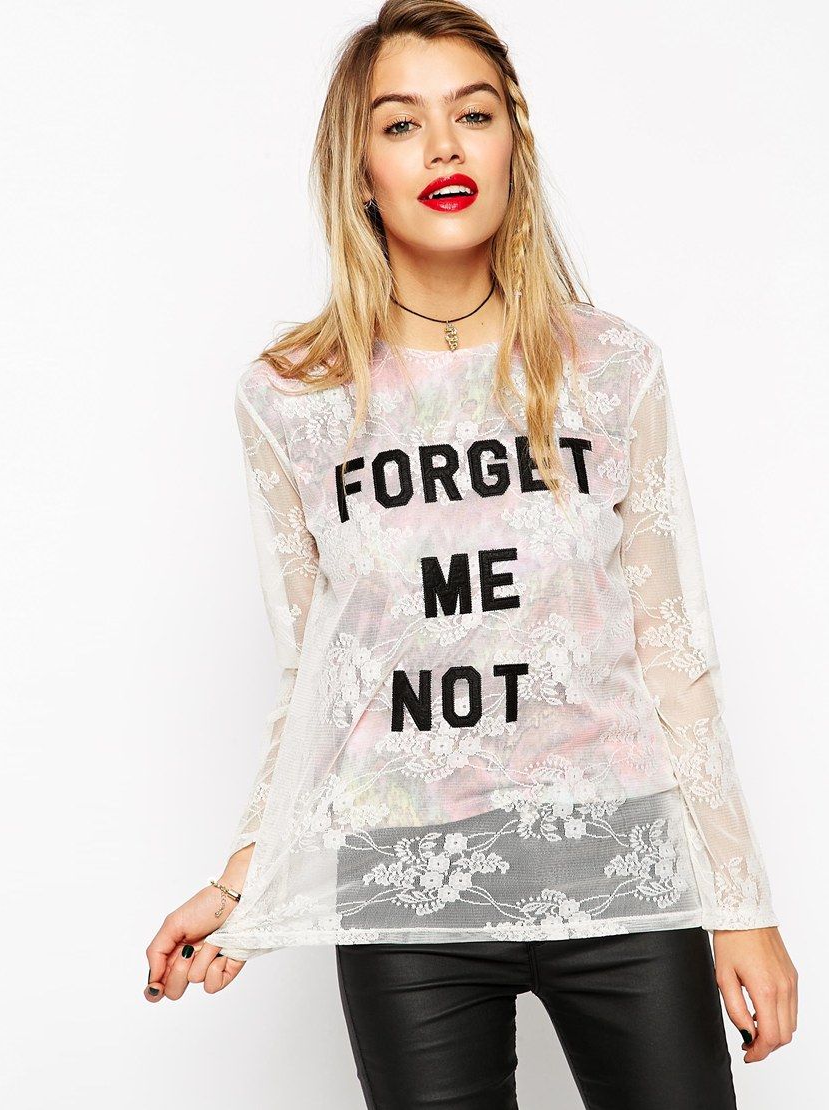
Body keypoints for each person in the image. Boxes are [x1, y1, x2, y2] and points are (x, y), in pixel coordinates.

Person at [143, 2, 797, 1106]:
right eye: (402, 124)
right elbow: (322, 681)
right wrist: (247, 874)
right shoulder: (294, 399)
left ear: (512, 146)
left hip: (619, 870)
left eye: (474, 115)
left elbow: (672, 652)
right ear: (359, 170)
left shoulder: (611, 368)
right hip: (407, 891)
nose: (443, 148)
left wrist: (742, 905)